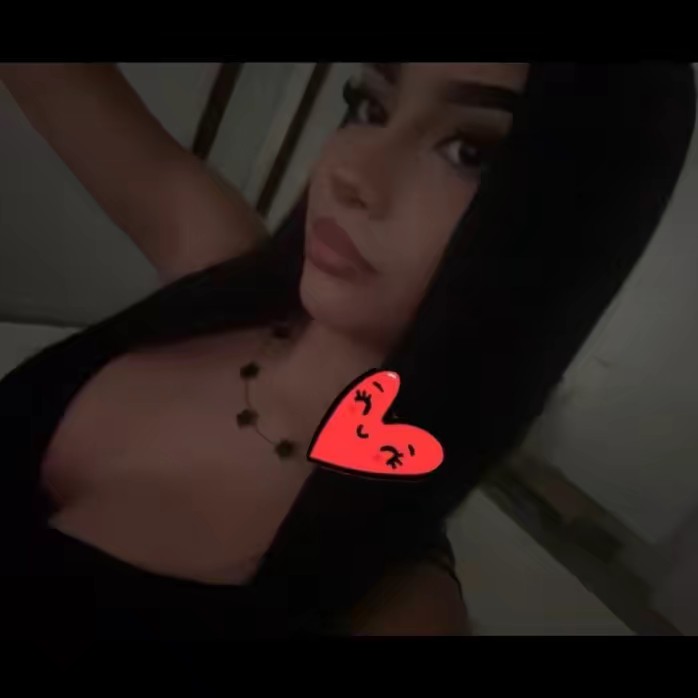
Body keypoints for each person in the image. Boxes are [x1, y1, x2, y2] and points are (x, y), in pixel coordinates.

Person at [0, 62, 694, 646]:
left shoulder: (396, 610)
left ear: (570, 228)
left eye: (468, 151)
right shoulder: (226, 276)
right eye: (370, 106)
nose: (351, 171)